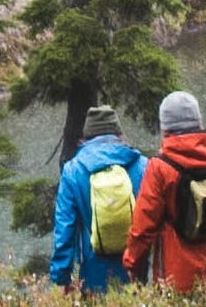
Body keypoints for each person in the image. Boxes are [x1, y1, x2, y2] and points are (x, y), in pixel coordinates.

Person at [119, 87, 206, 296]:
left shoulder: (160, 167)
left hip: (173, 281)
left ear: (166, 128)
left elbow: (143, 227)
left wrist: (132, 265)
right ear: (199, 122)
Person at [44, 101, 149, 293]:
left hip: (94, 274)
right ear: (119, 134)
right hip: (136, 271)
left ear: (87, 135)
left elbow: (65, 229)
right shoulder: (143, 165)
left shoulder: (73, 170)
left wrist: (62, 278)